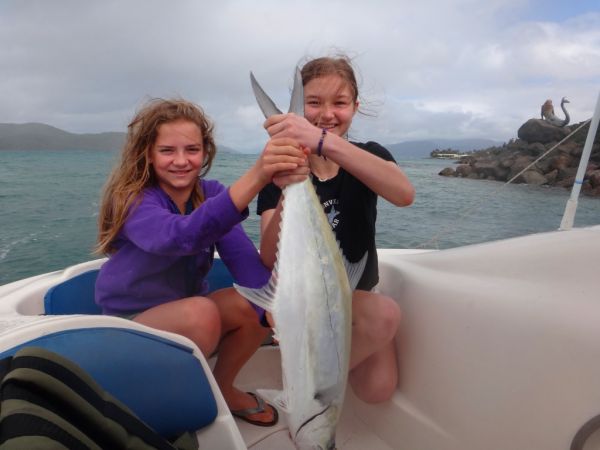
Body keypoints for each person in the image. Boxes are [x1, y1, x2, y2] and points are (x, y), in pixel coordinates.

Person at [95, 98, 307, 426]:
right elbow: (179, 237)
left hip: (188, 312)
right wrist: (258, 174)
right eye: (167, 151)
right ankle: (167, 400)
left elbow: (248, 268)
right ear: (148, 154)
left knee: (256, 303)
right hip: (130, 323)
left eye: (191, 150)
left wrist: (274, 307)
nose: (181, 161)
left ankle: (222, 389)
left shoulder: (210, 195)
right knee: (202, 313)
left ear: (205, 152)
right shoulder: (133, 197)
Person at [257, 56, 415, 403]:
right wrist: (289, 186)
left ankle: (312, 374)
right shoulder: (280, 168)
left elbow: (404, 194)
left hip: (355, 302)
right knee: (384, 315)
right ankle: (308, 389)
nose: (326, 114)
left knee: (377, 391)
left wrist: (322, 141)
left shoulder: (369, 155)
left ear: (355, 107)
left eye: (339, 103)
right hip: (307, 303)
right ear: (300, 110)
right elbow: (269, 255)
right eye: (313, 103)